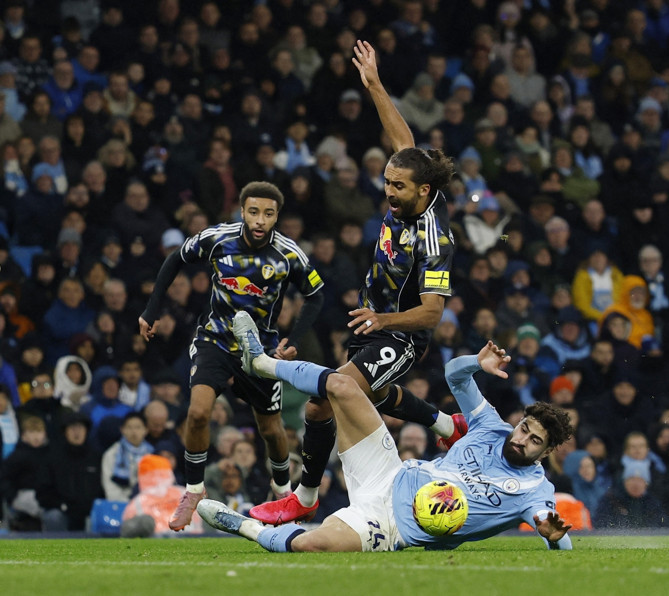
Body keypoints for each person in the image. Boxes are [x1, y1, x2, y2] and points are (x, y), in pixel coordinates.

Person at [252, 39, 464, 526]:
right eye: (387, 181)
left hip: (401, 333)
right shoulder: (413, 179)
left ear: (424, 191)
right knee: (355, 398)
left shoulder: (434, 238)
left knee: (329, 397)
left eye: (398, 186)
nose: (389, 192)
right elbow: (401, 136)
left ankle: (305, 498)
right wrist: (374, 84)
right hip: (371, 320)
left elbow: (433, 312)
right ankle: (445, 423)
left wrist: (382, 319)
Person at [197, 318, 573, 552]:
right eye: (525, 428)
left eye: (534, 441)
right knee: (342, 386)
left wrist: (553, 538)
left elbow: (556, 533)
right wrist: (476, 362)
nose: (521, 439)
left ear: (545, 453)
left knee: (315, 544)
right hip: (390, 473)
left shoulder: (535, 490)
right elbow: (455, 375)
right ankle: (262, 363)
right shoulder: (493, 426)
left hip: (391, 526)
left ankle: (246, 526)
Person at [138, 181, 326, 531]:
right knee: (197, 413)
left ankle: (284, 494)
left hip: (260, 350)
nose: (260, 220)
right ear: (242, 212)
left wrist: (294, 339)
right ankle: (194, 491)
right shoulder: (217, 239)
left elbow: (316, 295)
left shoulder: (289, 254)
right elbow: (175, 259)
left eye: (268, 214)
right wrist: (152, 310)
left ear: (276, 217)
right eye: (253, 211)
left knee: (271, 430)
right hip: (216, 340)